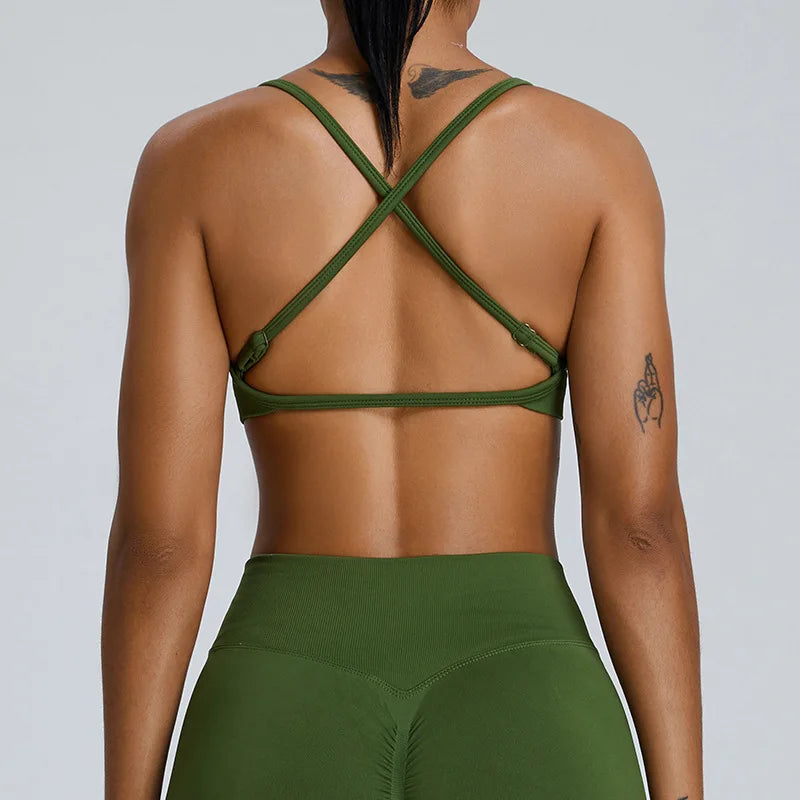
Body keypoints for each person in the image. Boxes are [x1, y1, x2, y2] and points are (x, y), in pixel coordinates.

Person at [101, 1, 702, 797]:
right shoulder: (592, 160)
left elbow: (161, 544)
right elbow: (640, 527)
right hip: (527, 691)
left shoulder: (193, 163)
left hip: (281, 685)